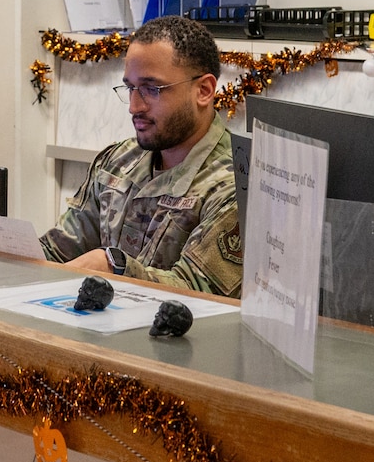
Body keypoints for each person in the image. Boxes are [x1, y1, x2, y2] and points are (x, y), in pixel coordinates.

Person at [39, 15, 242, 297]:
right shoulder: (117, 162)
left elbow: (200, 294)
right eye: (130, 88)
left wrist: (115, 268)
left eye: (151, 89)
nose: (134, 107)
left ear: (204, 90)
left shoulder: (234, 185)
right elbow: (58, 249)